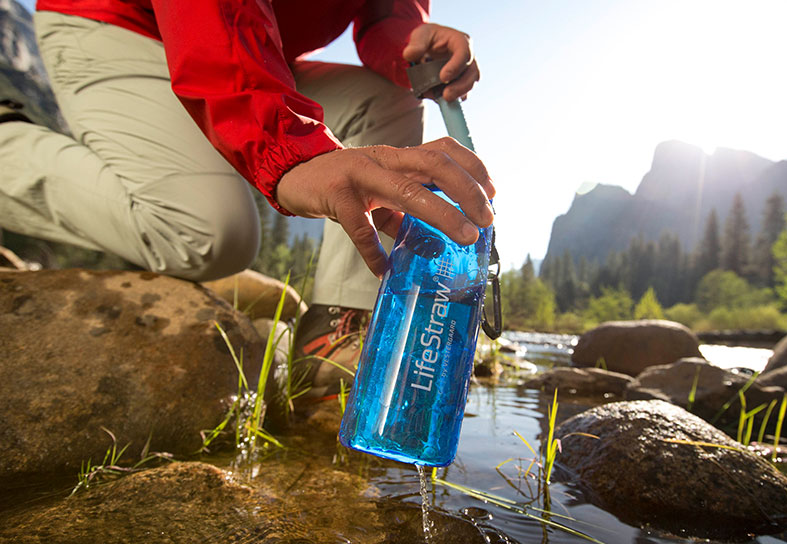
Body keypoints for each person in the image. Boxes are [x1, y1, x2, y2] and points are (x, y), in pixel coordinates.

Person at [0, 1, 494, 402]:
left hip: (255, 47)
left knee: (383, 99)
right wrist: (290, 150)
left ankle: (339, 328)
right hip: (125, 26)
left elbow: (382, 9)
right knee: (208, 234)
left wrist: (406, 40)